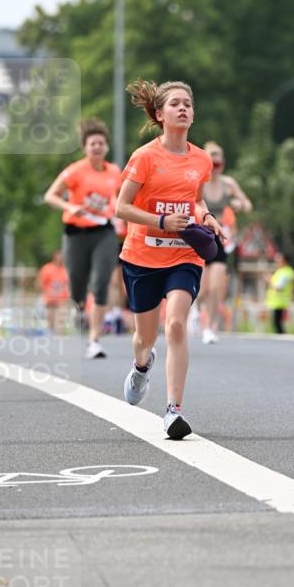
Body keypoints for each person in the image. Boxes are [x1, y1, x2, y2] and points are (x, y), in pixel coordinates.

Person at [115, 78, 222, 440]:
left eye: (188, 103)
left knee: (175, 325)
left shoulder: (201, 160)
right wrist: (160, 221)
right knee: (145, 337)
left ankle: (173, 410)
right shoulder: (145, 157)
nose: (183, 108)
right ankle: (142, 366)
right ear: (160, 114)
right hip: (142, 256)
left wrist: (206, 217)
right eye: (175, 103)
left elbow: (197, 199)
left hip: (183, 254)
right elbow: (122, 207)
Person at [44, 119, 122, 358]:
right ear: (85, 148)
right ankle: (78, 305)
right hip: (76, 233)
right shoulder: (75, 171)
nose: (97, 147)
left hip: (104, 233)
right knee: (77, 283)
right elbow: (50, 196)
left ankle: (94, 340)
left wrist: (120, 213)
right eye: (92, 143)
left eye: (100, 143)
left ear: (106, 146)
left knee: (100, 283)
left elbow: (118, 198)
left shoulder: (114, 171)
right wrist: (70, 206)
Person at [198, 141, 252, 344]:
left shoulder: (228, 184)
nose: (215, 160)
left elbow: (247, 204)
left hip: (219, 238)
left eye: (218, 156)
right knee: (201, 289)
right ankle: (197, 312)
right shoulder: (198, 181)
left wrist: (239, 203)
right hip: (200, 237)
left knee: (215, 287)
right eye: (211, 156)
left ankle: (210, 327)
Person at [37, 250, 69, 332]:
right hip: (50, 299)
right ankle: (50, 334)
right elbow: (41, 283)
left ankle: (60, 334)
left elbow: (68, 283)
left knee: (61, 319)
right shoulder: (47, 269)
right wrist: (47, 293)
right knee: (50, 319)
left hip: (62, 299)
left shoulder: (65, 269)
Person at [265, 251, 294, 334]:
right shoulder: (280, 271)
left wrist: (269, 280)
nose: (276, 260)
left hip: (280, 302)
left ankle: (283, 338)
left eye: (278, 258)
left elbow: (279, 287)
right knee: (276, 323)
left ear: (284, 260)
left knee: (277, 323)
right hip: (276, 302)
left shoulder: (286, 272)